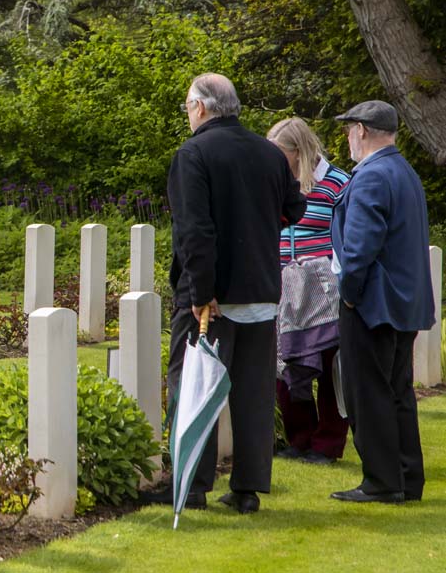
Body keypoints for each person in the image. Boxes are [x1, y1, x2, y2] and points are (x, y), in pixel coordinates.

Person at [149, 73, 306, 515]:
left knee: (194, 385)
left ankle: (192, 485)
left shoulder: (194, 153)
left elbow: (194, 231)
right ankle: (248, 488)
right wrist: (256, 225)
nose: (186, 114)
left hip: (211, 297)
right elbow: (294, 206)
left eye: (186, 106)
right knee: (254, 392)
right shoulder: (268, 153)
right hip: (260, 289)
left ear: (200, 107)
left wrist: (201, 291)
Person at [329, 101, 434, 504]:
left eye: (348, 130)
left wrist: (349, 295)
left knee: (367, 393)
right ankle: (407, 477)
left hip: (373, 304)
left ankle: (381, 480)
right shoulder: (404, 171)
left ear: (361, 130)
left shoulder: (372, 176)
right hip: (402, 303)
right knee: (397, 393)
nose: (347, 139)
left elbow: (358, 251)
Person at [267, 118, 351, 465]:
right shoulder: (274, 182)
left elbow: (347, 233)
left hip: (323, 288)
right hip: (284, 282)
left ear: (298, 151)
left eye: (280, 153)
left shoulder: (338, 183)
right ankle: (299, 437)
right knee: (286, 361)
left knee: (330, 363)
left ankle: (327, 444)